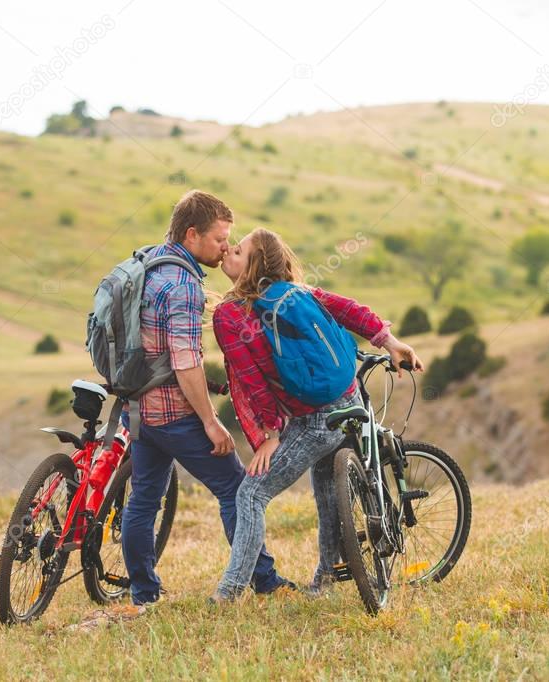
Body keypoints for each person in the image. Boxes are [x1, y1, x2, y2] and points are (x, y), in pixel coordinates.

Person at [210, 227, 423, 601]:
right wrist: (391, 342)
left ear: (254, 266)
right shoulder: (299, 292)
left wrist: (270, 434)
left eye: (239, 251)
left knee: (251, 493)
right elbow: (349, 310)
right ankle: (325, 579)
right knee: (326, 491)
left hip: (315, 419)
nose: (229, 250)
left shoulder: (231, 316)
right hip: (350, 396)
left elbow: (253, 381)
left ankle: (228, 594)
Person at [120, 191, 294, 606]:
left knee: (144, 498)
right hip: (175, 415)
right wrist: (210, 422)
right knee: (237, 489)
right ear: (192, 233)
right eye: (219, 239)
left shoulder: (148, 262)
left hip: (138, 410)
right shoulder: (183, 286)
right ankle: (263, 580)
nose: (223, 249)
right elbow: (184, 363)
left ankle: (144, 593)